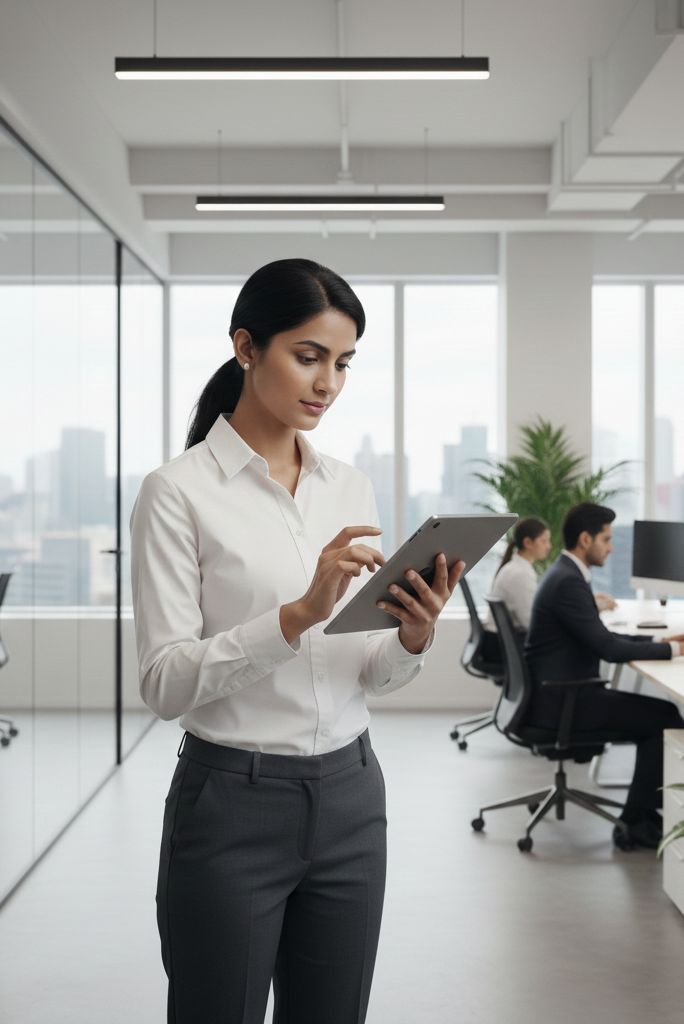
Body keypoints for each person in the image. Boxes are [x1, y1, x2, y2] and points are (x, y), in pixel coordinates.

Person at [131, 258, 464, 1024]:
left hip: (352, 797)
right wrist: (294, 615)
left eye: (342, 363)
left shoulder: (348, 486)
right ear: (246, 347)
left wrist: (411, 638)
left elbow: (363, 672)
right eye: (307, 356)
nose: (328, 383)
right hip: (229, 807)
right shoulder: (177, 493)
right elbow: (163, 682)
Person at [524, 502, 684, 850]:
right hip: (565, 702)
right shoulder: (568, 582)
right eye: (607, 539)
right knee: (666, 718)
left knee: (661, 714)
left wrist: (662, 640)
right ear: (586, 539)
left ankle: (641, 815)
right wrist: (677, 651)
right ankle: (636, 821)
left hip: (558, 695)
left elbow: (604, 638)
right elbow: (609, 650)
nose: (612, 547)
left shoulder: (565, 574)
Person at [479, 516, 551, 662]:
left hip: (497, 643)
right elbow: (529, 622)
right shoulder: (520, 573)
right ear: (528, 542)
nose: (549, 546)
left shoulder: (515, 567)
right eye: (544, 541)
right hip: (501, 648)